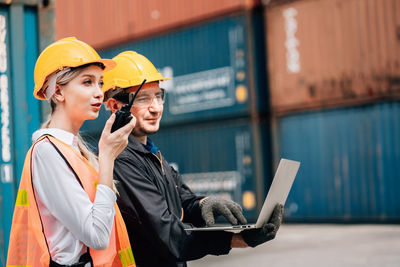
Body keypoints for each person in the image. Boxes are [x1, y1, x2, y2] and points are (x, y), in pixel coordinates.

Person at [103, 51, 284, 267]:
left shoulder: (151, 153)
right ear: (115, 106)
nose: (156, 107)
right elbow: (168, 234)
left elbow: (183, 200)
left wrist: (205, 204)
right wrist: (238, 239)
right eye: (143, 98)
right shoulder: (121, 160)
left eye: (159, 96)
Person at [7, 38, 136, 267]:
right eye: (87, 82)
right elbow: (96, 236)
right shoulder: (48, 152)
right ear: (58, 92)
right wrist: (107, 157)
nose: (99, 93)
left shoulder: (71, 151)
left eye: (100, 83)